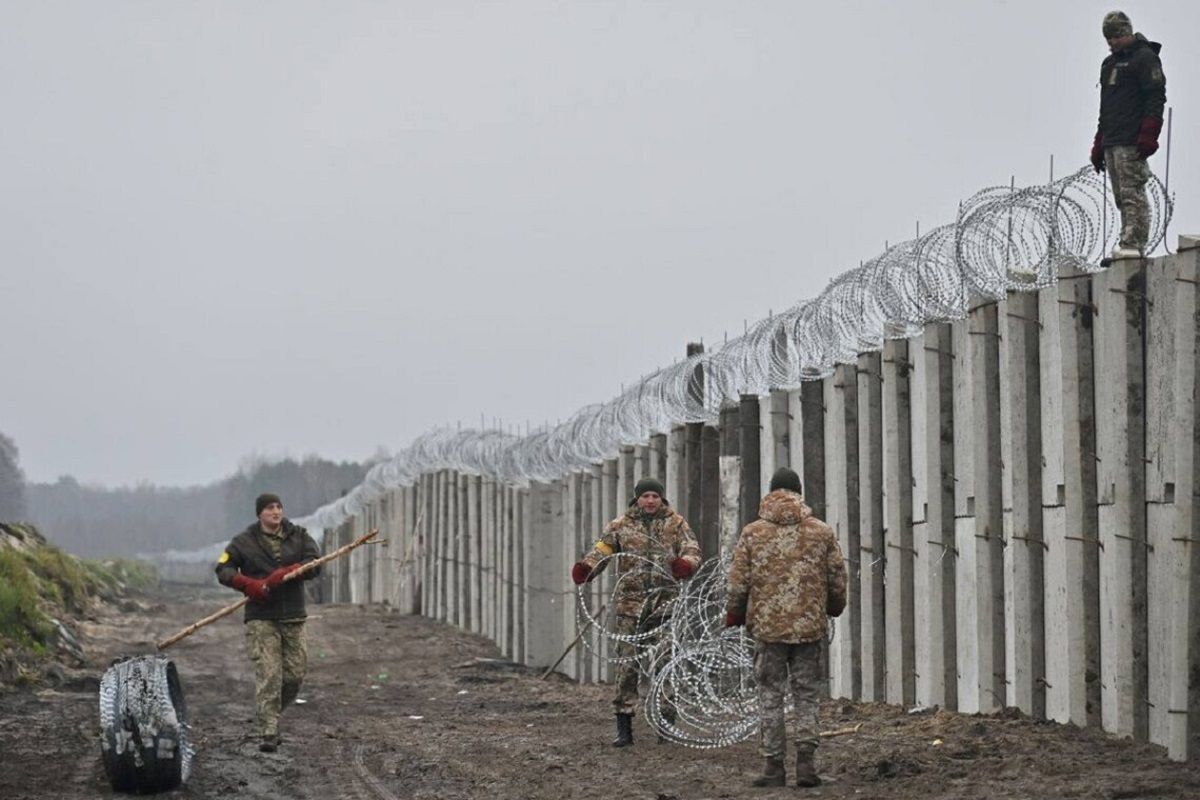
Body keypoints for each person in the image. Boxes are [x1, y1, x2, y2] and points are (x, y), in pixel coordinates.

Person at [725, 468, 847, 788]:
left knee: (770, 694)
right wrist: (834, 606)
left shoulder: (753, 532)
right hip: (809, 628)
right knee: (807, 695)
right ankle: (806, 765)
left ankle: (773, 767)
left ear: (771, 492)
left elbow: (738, 581)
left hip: (767, 629)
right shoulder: (821, 531)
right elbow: (837, 576)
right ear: (798, 492)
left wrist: (735, 613)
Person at [570, 477, 701, 747]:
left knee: (666, 665)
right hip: (631, 607)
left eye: (654, 495)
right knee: (627, 666)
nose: (650, 500)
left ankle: (666, 725)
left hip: (664, 605)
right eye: (645, 496)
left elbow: (691, 549)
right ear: (637, 499)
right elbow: (602, 551)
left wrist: (685, 564)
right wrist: (588, 568)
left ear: (661, 498)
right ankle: (624, 726)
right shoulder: (620, 526)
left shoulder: (676, 524)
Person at [215, 493, 322, 752]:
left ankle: (270, 712)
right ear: (259, 514)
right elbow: (223, 569)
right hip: (261, 617)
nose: (276, 512)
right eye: (270, 508)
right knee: (269, 673)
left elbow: (315, 563)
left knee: (294, 675)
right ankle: (269, 731)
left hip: (293, 614)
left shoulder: (298, 535)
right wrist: (247, 584)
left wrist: (290, 571)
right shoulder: (243, 542)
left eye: (279, 507)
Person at [1089, 10, 1166, 261]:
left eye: (1114, 37)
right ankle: (1126, 240)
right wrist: (1099, 141)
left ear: (1125, 33)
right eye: (1107, 38)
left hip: (1131, 139)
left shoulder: (1145, 58)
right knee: (1121, 196)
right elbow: (1106, 107)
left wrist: (1149, 133)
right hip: (1112, 137)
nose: (1110, 43)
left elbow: (1155, 97)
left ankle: (1133, 244)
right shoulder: (1109, 64)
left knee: (1132, 192)